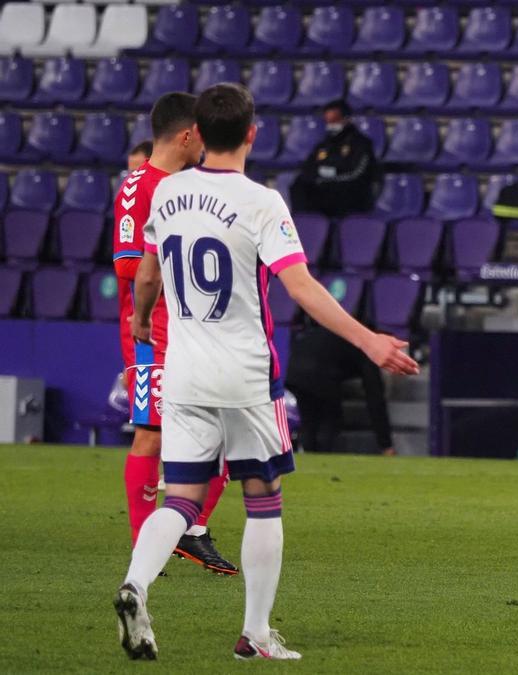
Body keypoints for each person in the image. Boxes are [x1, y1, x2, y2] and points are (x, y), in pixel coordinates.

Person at [113, 83, 419, 661]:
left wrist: (143, 322)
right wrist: (370, 341)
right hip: (246, 374)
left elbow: (147, 275)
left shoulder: (167, 192)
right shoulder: (263, 202)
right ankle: (254, 635)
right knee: (264, 497)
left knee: (178, 497)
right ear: (253, 133)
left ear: (197, 134)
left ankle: (136, 585)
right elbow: (300, 287)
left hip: (182, 370)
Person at [112, 93, 236, 575]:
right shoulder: (139, 185)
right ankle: (145, 544)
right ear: (187, 135)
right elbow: (127, 264)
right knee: (152, 433)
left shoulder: (185, 187)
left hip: (195, 327)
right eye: (202, 136)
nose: (205, 146)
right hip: (153, 328)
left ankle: (191, 528)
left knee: (226, 427)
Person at [285, 320, 396, 455]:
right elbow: (375, 396)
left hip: (295, 370)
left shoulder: (353, 336)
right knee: (329, 422)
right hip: (320, 373)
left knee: (310, 423)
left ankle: (308, 454)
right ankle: (321, 457)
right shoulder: (369, 348)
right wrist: (386, 444)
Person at [289, 99, 379, 218]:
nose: (331, 123)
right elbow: (309, 167)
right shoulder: (324, 144)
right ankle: (303, 225)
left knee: (337, 192)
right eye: (328, 119)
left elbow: (355, 173)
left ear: (346, 119)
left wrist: (329, 174)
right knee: (299, 185)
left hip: (352, 192)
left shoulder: (361, 143)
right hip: (326, 189)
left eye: (334, 119)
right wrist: (321, 174)